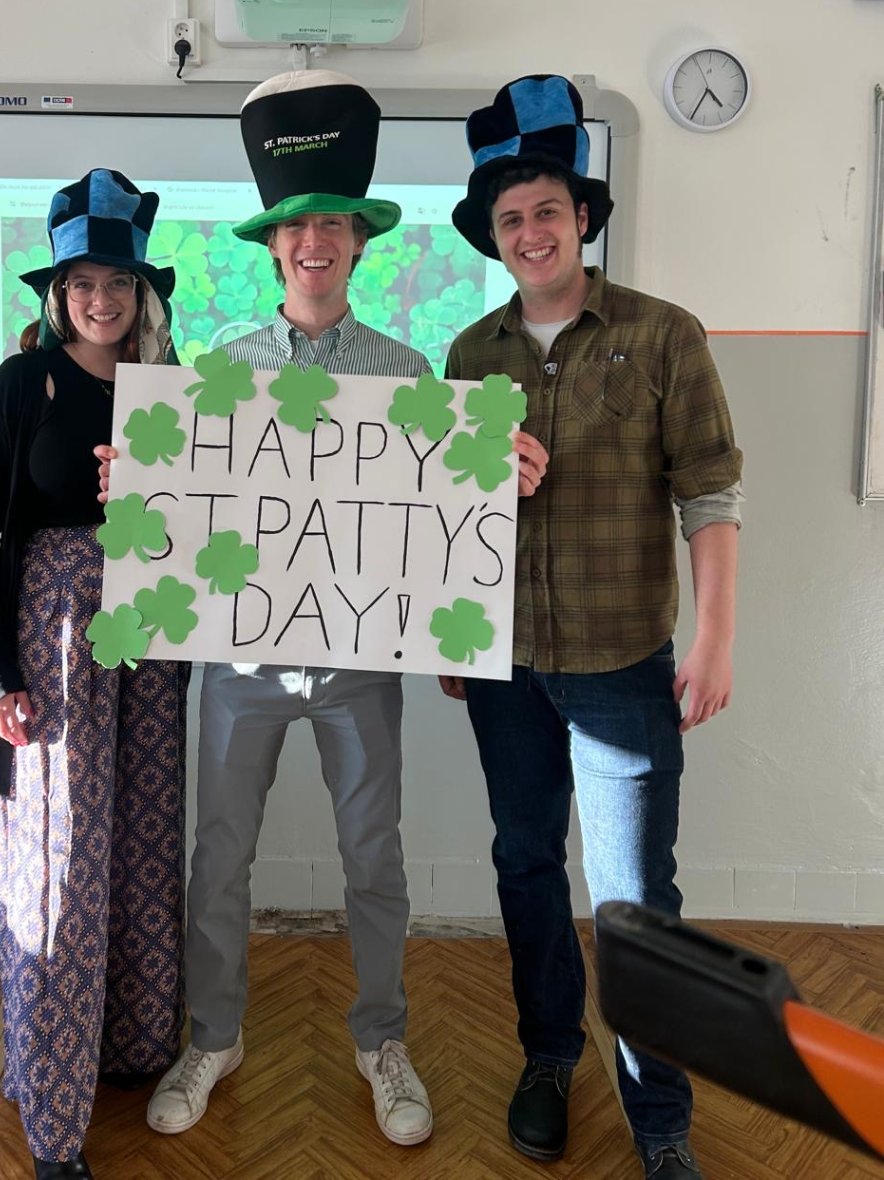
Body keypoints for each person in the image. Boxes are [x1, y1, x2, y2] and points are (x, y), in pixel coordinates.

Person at [97, 71, 547, 1147]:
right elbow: (183, 521)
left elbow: (438, 514)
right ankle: (216, 1032)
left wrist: (504, 472)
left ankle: (381, 1036)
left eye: (334, 225)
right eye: (298, 227)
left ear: (359, 240)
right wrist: (135, 485)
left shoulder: (405, 371)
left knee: (374, 859)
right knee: (220, 854)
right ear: (272, 245)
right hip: (244, 665)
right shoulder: (213, 372)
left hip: (358, 666)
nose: (316, 242)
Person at [443, 75, 743, 1180]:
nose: (531, 231)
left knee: (634, 895)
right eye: (511, 217)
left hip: (627, 662)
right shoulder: (471, 356)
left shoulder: (666, 337)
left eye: (548, 210)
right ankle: (546, 1055)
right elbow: (442, 521)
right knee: (526, 864)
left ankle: (659, 1110)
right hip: (506, 666)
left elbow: (710, 490)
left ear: (583, 218)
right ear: (496, 233)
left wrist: (713, 636)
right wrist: (449, 637)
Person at [0, 169, 191, 1180]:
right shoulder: (24, 384)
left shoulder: (176, 390)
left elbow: (209, 530)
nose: (104, 297)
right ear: (58, 291)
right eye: (85, 279)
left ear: (144, 291)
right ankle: (54, 1118)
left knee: (140, 841)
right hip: (53, 638)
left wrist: (160, 486)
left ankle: (130, 1045)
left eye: (121, 279)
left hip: (154, 631)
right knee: (57, 865)